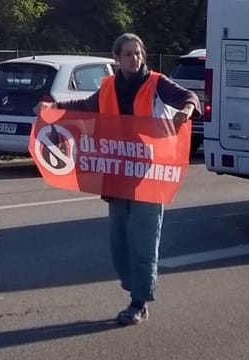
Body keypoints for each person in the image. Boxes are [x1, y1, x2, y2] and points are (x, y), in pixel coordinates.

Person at [60, 32, 198, 326]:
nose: (135, 59)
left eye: (138, 53)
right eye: (128, 54)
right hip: (118, 173)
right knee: (120, 239)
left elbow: (190, 97)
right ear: (117, 58)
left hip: (150, 173)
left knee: (144, 239)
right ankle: (134, 288)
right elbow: (86, 106)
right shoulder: (108, 86)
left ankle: (139, 302)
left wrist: (186, 111)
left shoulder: (157, 83)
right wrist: (53, 109)